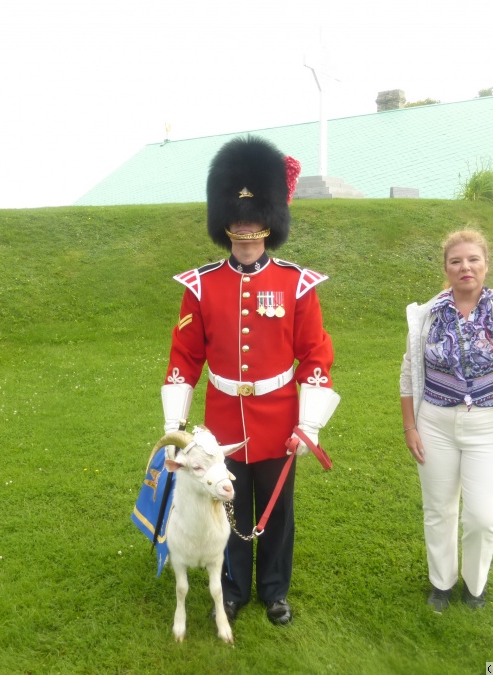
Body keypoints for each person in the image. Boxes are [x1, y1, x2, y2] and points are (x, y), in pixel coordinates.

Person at [160, 135, 340, 626]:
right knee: (227, 506)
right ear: (224, 219)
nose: (244, 223)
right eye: (236, 213)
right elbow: (184, 357)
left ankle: (275, 590)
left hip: (279, 415)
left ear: (270, 217)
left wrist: (310, 423)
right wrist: (175, 428)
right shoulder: (200, 285)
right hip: (222, 420)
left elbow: (315, 355)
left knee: (278, 511)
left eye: (254, 211)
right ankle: (234, 588)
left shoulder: (296, 282)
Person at [399, 229, 493, 612]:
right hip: (435, 422)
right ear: (446, 268)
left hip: (489, 424)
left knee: (483, 516)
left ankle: (474, 586)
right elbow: (408, 373)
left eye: (473, 260)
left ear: (486, 264)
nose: (465, 267)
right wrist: (410, 427)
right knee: (439, 508)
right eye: (456, 261)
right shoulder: (427, 314)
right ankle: (441, 584)